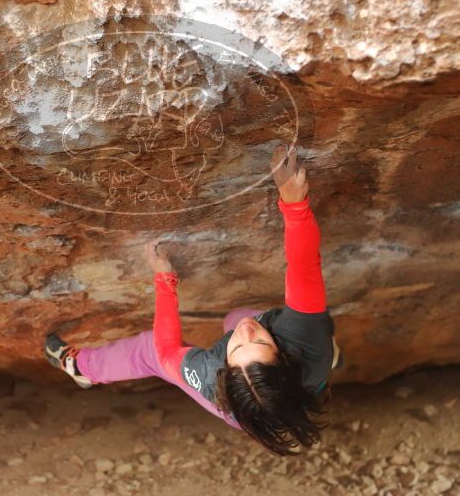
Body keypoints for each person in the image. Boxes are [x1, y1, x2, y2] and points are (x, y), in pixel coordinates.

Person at [44, 143, 342, 455]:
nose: (245, 332)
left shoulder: (210, 377)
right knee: (250, 318)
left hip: (257, 399)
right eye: (261, 343)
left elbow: (163, 350)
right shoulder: (305, 339)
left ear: (225, 368)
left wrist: (164, 280)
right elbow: (303, 266)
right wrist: (294, 204)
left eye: (237, 347)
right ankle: (329, 355)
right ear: (283, 356)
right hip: (308, 368)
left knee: (149, 351)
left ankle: (83, 369)